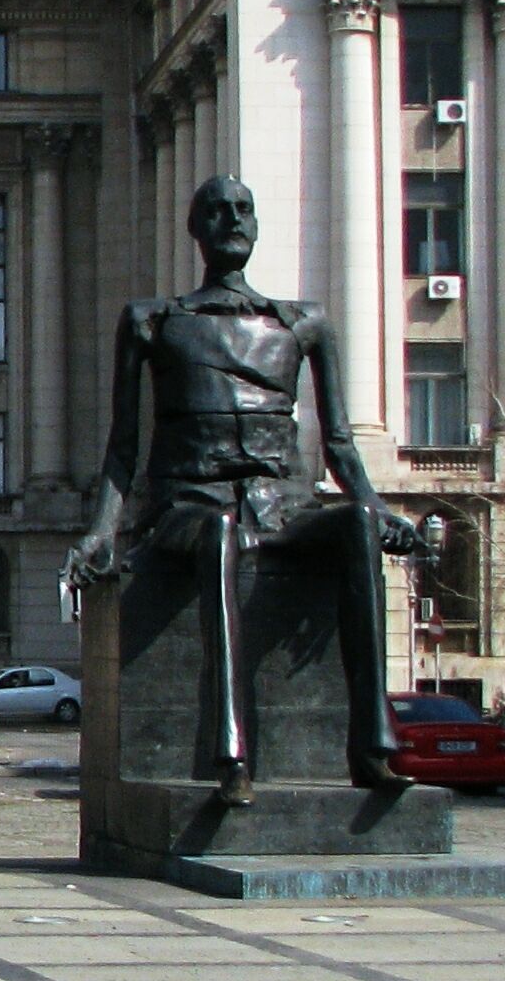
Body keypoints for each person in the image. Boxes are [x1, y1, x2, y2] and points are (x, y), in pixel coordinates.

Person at [63, 174, 421, 804]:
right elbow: (123, 448)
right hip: (186, 506)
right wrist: (100, 532)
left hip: (281, 504)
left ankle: (373, 746)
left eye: (244, 210)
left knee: (357, 524)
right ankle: (231, 758)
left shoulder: (304, 323)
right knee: (220, 533)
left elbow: (337, 440)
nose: (233, 220)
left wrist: (377, 504)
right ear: (195, 230)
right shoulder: (153, 321)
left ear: (256, 225)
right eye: (218, 211)